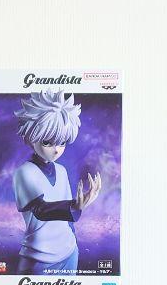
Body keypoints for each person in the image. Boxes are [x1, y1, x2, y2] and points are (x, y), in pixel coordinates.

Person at [12, 90, 101, 275]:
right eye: (47, 142)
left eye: (62, 143)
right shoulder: (24, 172)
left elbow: (68, 220)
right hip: (38, 257)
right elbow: (41, 210)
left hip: (69, 252)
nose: (56, 150)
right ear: (31, 137)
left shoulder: (61, 171)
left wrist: (74, 215)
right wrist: (74, 206)